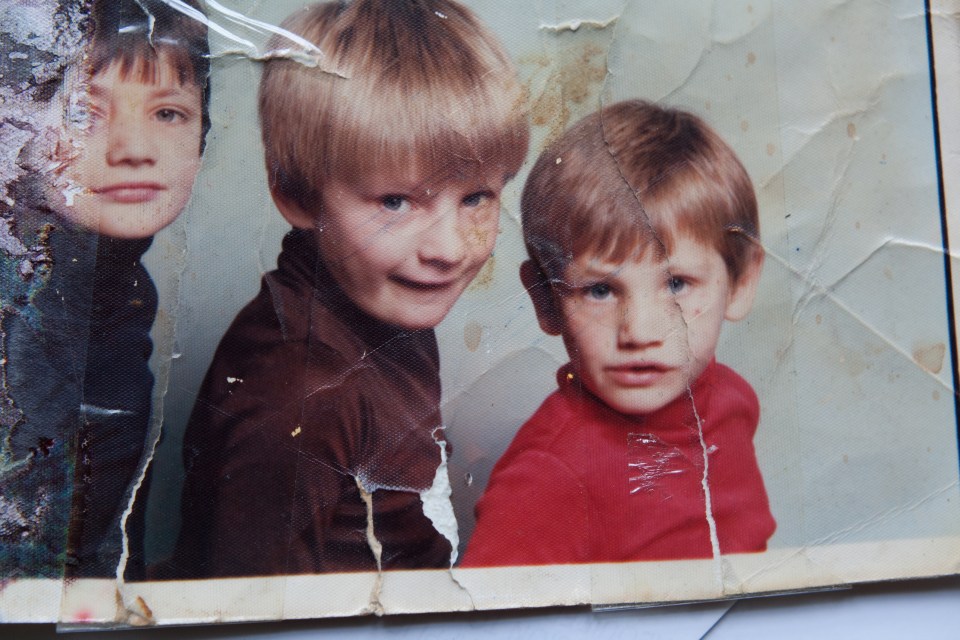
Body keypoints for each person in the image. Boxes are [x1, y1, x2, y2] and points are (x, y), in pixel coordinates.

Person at [167, 0, 528, 578]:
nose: (450, 248)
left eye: (476, 197)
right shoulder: (300, 391)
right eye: (395, 201)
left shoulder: (389, 310)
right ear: (297, 195)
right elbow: (250, 619)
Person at [462, 100, 776, 567]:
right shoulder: (549, 476)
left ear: (741, 283)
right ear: (547, 301)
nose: (640, 332)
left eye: (675, 284)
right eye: (600, 290)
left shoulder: (731, 401)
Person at [0, 0, 208, 578]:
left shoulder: (114, 281)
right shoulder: (22, 306)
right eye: (82, 114)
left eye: (168, 113)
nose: (133, 149)